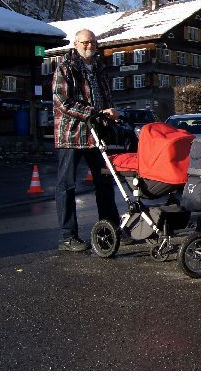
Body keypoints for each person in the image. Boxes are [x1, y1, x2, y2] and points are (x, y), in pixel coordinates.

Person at [51, 29, 126, 252]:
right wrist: (96, 113)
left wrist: (111, 116)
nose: (89, 45)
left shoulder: (99, 68)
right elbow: (62, 102)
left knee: (105, 182)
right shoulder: (65, 66)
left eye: (93, 42)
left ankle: (110, 231)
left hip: (96, 134)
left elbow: (106, 98)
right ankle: (67, 236)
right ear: (76, 44)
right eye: (85, 42)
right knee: (66, 185)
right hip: (71, 134)